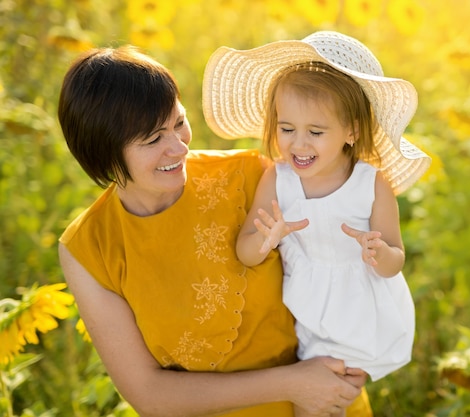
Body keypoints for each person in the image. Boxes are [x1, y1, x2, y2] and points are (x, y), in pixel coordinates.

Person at [57, 45, 373, 417]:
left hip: (324, 406)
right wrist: (293, 383)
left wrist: (344, 372)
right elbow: (149, 395)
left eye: (178, 123)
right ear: (103, 154)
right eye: (152, 140)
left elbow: (348, 278)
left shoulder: (251, 176)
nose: (177, 148)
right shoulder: (89, 249)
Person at [202, 31, 432, 416]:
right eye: (287, 128)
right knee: (315, 399)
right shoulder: (278, 179)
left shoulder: (370, 184)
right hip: (309, 312)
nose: (298, 144)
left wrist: (378, 252)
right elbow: (245, 251)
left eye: (316, 132)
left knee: (335, 395)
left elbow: (397, 257)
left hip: (362, 311)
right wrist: (266, 238)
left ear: (351, 131)